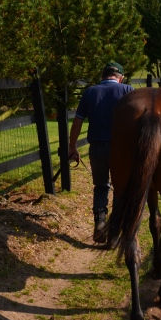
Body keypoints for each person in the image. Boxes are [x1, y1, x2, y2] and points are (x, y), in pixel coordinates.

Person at [68, 62, 134, 244]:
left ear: (102, 76)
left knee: (101, 186)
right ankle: (114, 232)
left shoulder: (90, 92)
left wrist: (72, 146)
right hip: (121, 149)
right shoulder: (127, 90)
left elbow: (77, 122)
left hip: (97, 148)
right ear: (120, 77)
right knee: (120, 189)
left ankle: (100, 222)